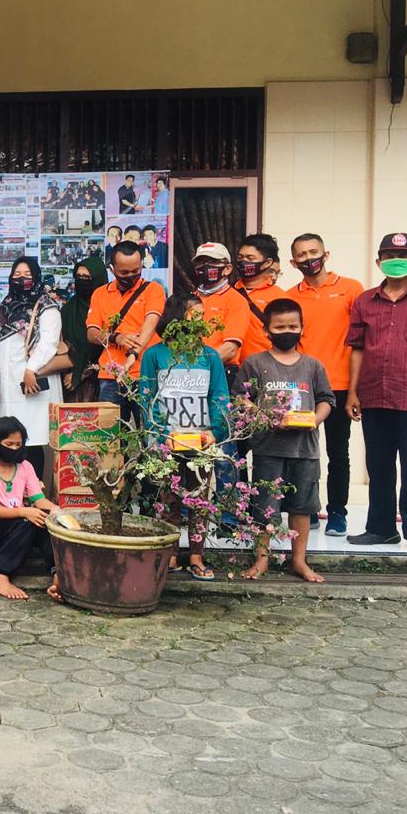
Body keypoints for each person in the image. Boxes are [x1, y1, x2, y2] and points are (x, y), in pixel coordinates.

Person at [346, 233, 407, 556]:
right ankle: (381, 529)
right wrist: (352, 392)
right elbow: (357, 348)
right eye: (389, 255)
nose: (396, 260)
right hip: (374, 395)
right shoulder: (364, 301)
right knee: (379, 465)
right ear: (379, 262)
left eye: (403, 255)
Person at [237, 298, 335, 581]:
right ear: (266, 330)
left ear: (302, 328)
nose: (287, 331)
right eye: (279, 327)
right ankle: (262, 559)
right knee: (265, 507)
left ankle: (299, 561)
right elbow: (240, 398)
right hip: (268, 448)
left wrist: (314, 419)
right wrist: (262, 416)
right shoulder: (255, 363)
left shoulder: (313, 365)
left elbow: (327, 400)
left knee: (302, 507)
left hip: (305, 449)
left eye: (293, 326)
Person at [138, 293, 230, 579]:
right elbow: (147, 398)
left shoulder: (210, 356)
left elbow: (220, 396)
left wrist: (215, 431)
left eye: (203, 316)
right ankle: (171, 554)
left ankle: (196, 556)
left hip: (201, 441)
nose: (201, 321)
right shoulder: (154, 355)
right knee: (168, 499)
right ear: (176, 317)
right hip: (167, 441)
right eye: (195, 315)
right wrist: (163, 433)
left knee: (199, 499)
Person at [289, 233, 364, 537]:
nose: (309, 258)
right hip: (302, 387)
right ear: (293, 262)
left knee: (338, 453)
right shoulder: (290, 296)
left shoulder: (351, 289)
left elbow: (361, 341)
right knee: (302, 453)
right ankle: (307, 508)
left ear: (326, 254)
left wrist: (356, 390)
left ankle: (337, 513)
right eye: (302, 255)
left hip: (341, 385)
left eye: (313, 252)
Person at [0, 417, 58, 600]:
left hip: (19, 521)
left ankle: (58, 575)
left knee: (46, 523)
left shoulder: (25, 467)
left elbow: (39, 499)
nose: (14, 448)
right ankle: (1, 578)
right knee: (27, 522)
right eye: (9, 444)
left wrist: (59, 512)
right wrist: (24, 511)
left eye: (18, 444)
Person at [0, 257, 62, 474]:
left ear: (36, 277)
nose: (21, 279)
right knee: (9, 439)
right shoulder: (4, 306)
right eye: (16, 275)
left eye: (27, 275)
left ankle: (34, 489)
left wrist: (31, 368)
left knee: (30, 440)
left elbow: (49, 342)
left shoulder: (47, 306)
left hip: (32, 379)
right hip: (8, 382)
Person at [87, 241, 164, 419]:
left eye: (136, 271)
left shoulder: (153, 290)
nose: (130, 276)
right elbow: (91, 334)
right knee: (109, 432)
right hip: (111, 375)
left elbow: (151, 324)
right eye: (124, 272)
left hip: (145, 374)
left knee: (149, 429)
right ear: (112, 269)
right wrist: (116, 338)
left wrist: (133, 353)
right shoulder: (100, 293)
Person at [190, 242, 252, 371]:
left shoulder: (236, 300)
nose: (205, 266)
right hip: (188, 372)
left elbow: (230, 349)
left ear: (227, 269)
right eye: (201, 262)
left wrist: (199, 367)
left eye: (213, 261)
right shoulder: (189, 299)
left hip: (220, 370)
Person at [60, 255, 108, 403]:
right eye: (78, 277)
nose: (82, 281)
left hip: (103, 382)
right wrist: (71, 373)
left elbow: (108, 349)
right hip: (70, 385)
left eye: (87, 277)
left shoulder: (109, 309)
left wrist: (81, 373)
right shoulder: (68, 310)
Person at [234, 234, 287, 360]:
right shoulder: (228, 292)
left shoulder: (280, 297)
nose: (243, 262)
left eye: (250, 258)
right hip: (229, 367)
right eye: (240, 257)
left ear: (267, 263)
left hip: (266, 367)